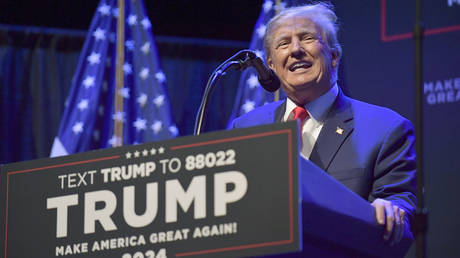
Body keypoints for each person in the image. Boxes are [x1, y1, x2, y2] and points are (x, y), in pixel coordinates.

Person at [230, 2, 416, 256]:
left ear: (334, 56)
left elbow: (399, 204)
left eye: (307, 38)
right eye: (284, 43)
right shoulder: (246, 129)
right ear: (271, 65)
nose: (295, 50)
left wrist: (392, 210)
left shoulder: (386, 128)